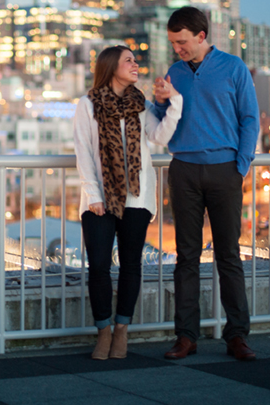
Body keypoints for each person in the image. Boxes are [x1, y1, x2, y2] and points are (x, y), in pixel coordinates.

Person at [152, 6, 260, 362]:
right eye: (172, 43)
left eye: (181, 42)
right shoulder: (174, 73)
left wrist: (239, 166)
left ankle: (237, 336)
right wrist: (158, 101)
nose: (177, 49)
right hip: (183, 170)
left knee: (229, 255)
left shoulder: (233, 68)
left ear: (201, 36)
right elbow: (161, 120)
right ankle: (186, 337)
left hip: (225, 171)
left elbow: (250, 119)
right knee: (186, 257)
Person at [74, 45, 182, 360]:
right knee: (98, 267)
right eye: (129, 60)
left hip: (137, 196)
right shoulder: (87, 104)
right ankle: (103, 331)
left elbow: (161, 137)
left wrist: (175, 102)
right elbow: (82, 150)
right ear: (111, 67)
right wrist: (93, 194)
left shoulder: (141, 104)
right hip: (99, 200)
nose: (136, 65)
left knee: (131, 265)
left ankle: (122, 330)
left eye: (135, 60)